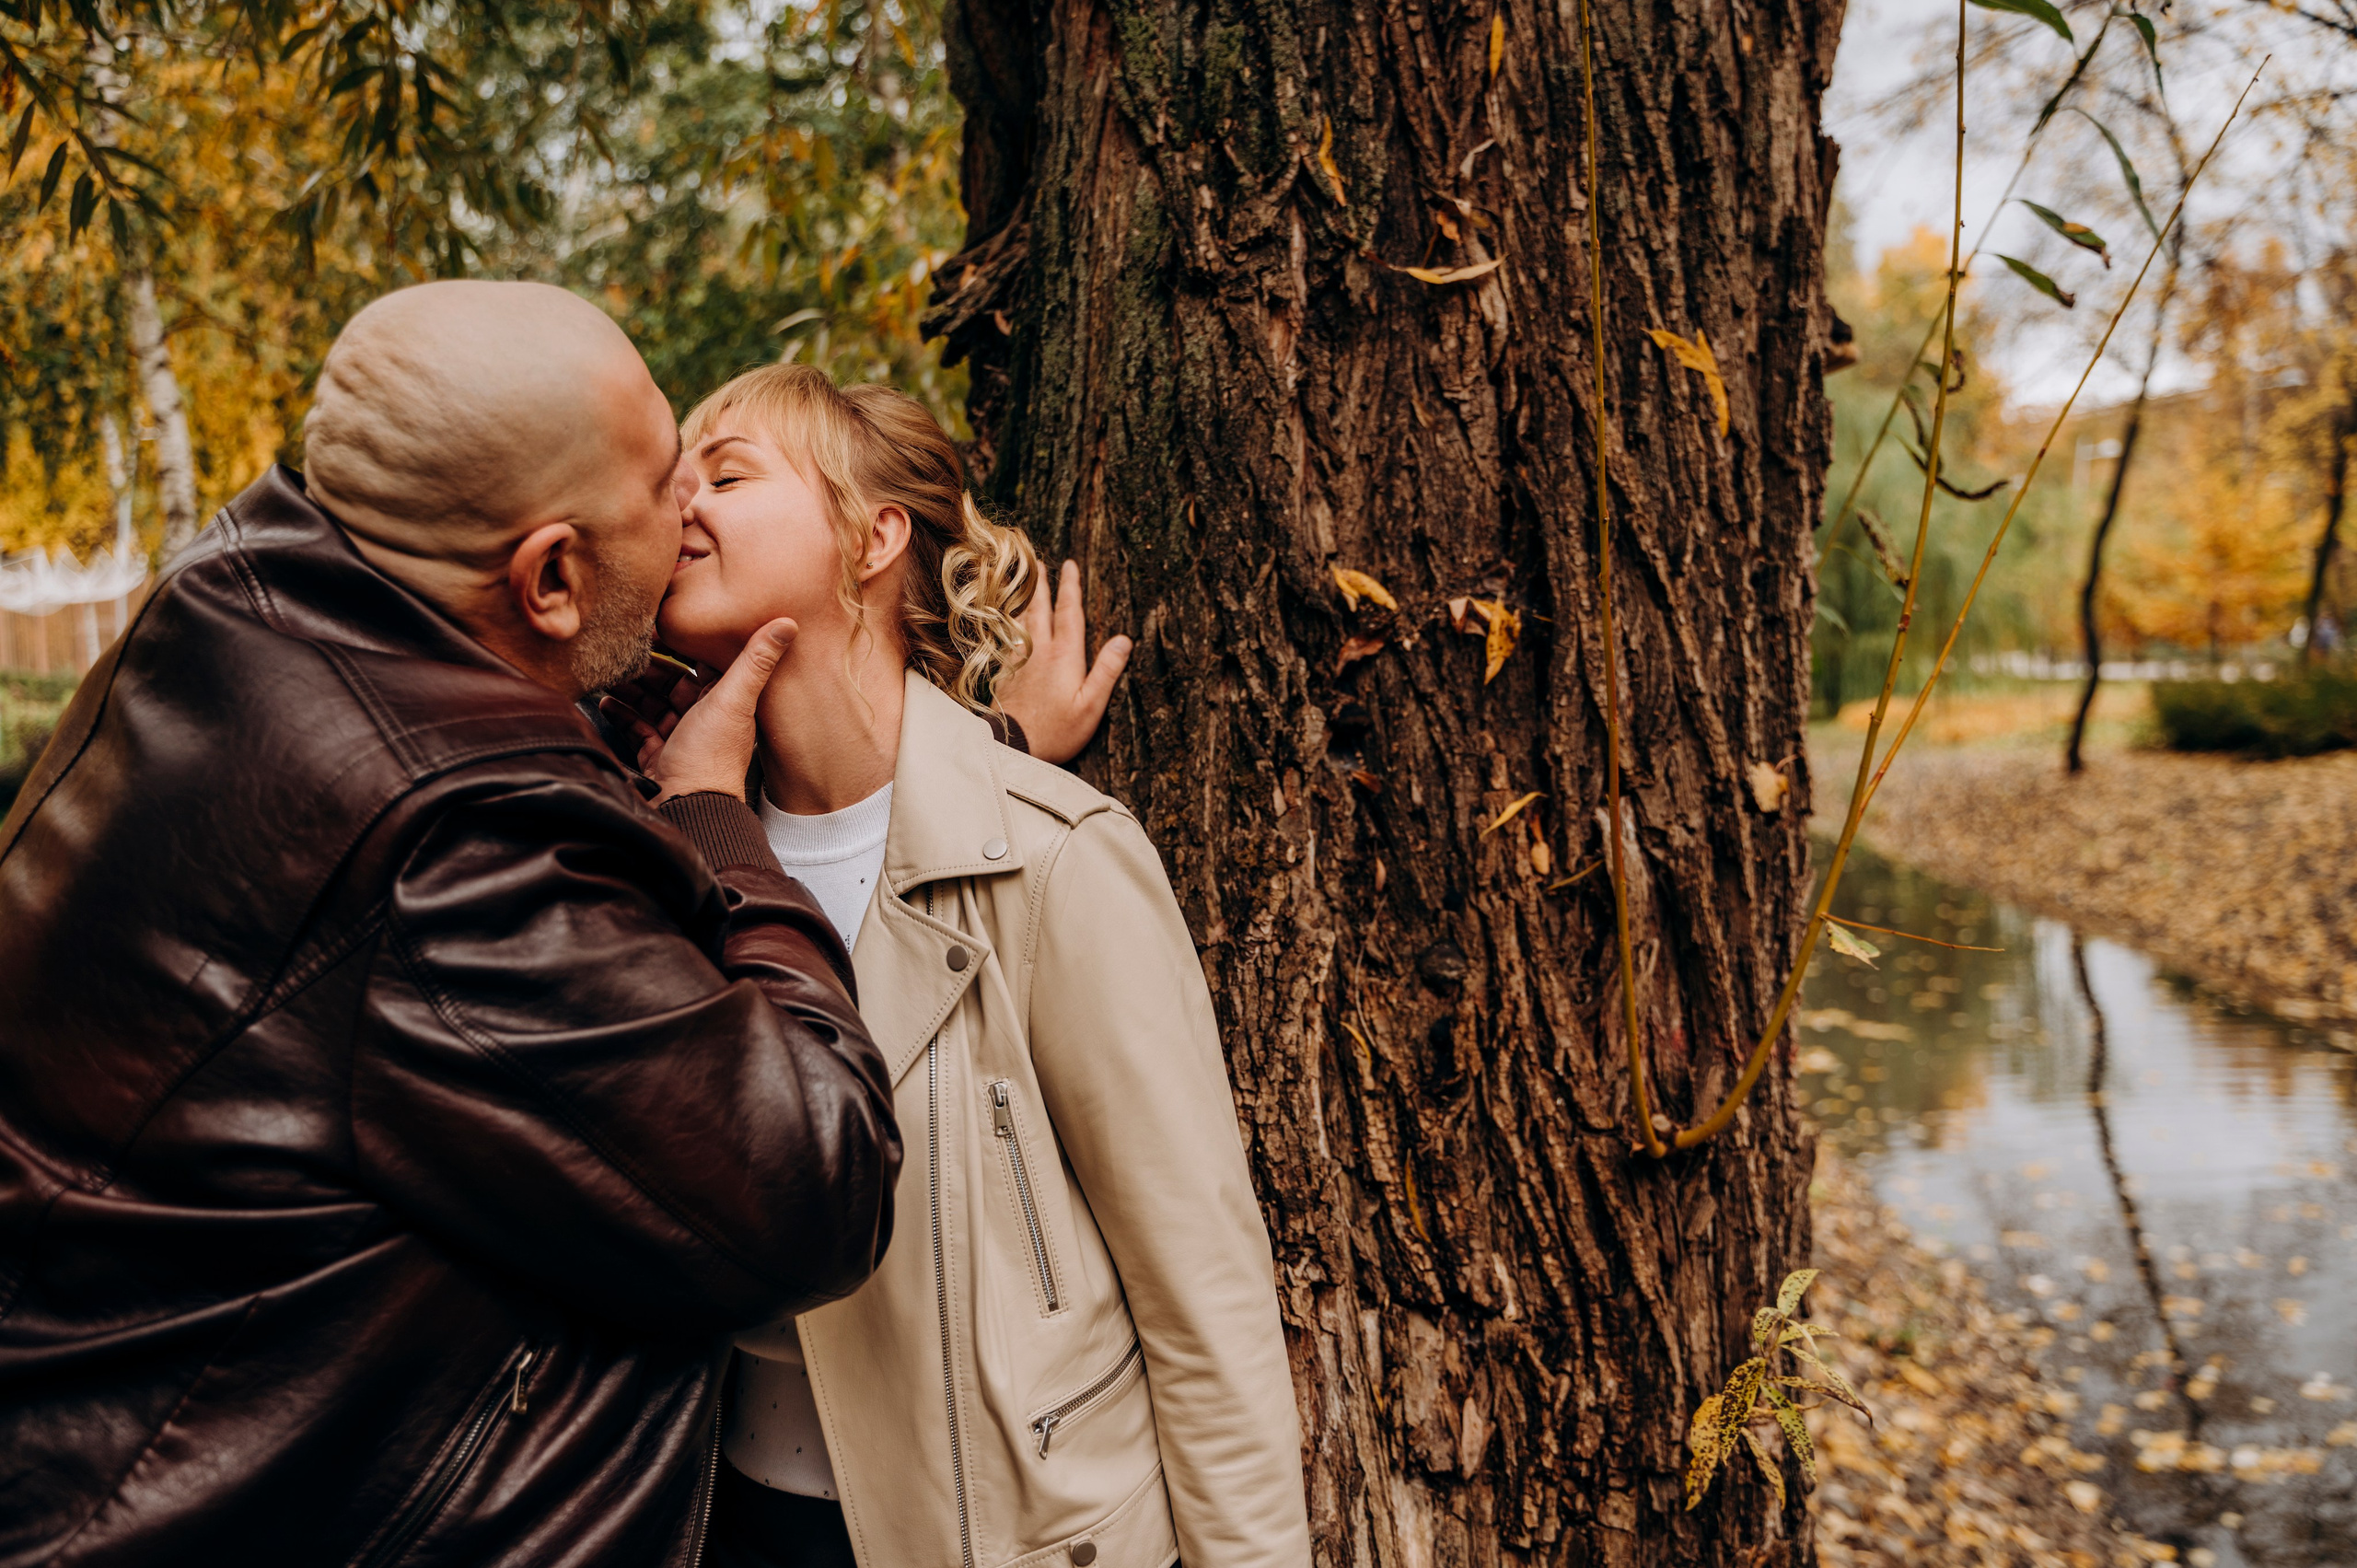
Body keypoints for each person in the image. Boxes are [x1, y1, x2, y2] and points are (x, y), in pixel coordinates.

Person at [0, 282, 904, 1566]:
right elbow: (815, 1182)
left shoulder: (221, 603)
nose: (691, 513)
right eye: (661, 487)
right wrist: (710, 823)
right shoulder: (454, 855)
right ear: (547, 579)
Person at [615, 363, 1312, 1568]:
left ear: (874, 536)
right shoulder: (664, 855)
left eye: (726, 473)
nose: (683, 501)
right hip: (733, 1522)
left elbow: (1207, 1311)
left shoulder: (1055, 865)